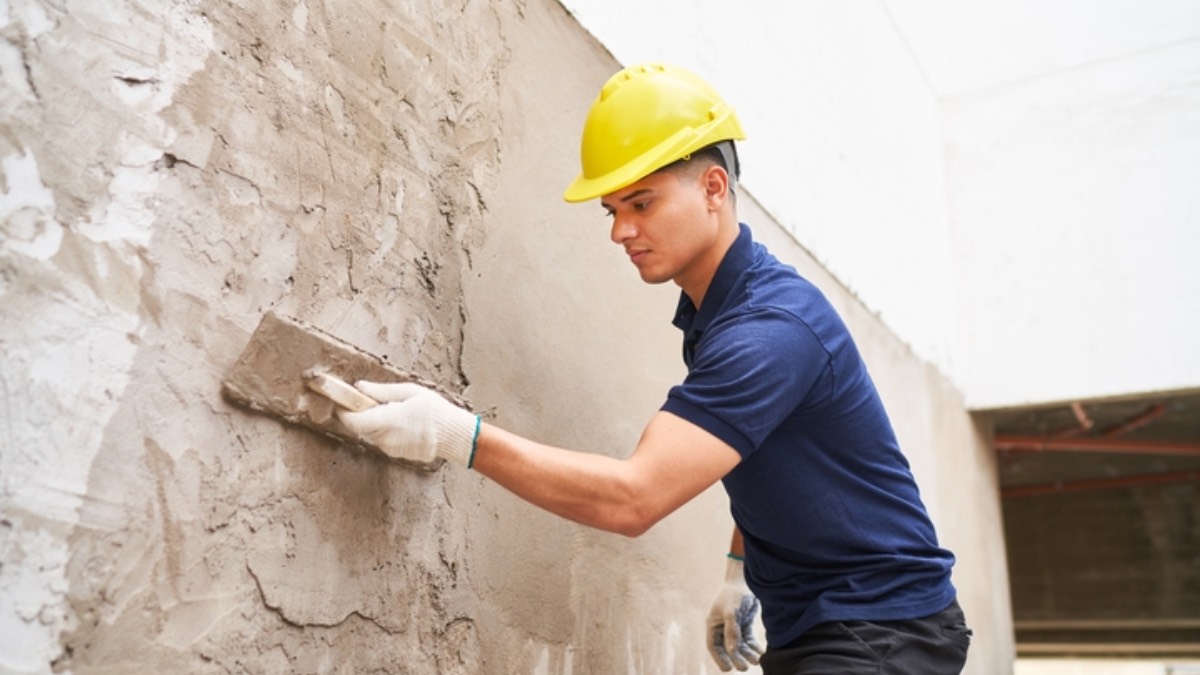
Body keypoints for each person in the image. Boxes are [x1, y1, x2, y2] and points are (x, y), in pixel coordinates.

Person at [338, 62, 972, 674]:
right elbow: (758, 447)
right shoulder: (718, 314)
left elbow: (633, 499)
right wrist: (737, 567)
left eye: (640, 204)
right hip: (829, 623)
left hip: (883, 628)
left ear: (713, 189)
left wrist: (454, 435)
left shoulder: (769, 331)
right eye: (612, 210)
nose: (621, 231)